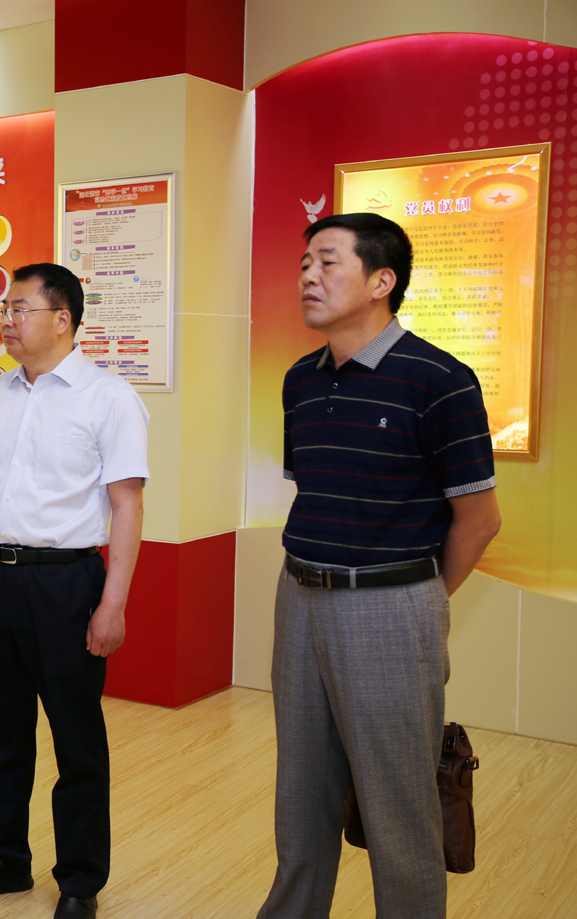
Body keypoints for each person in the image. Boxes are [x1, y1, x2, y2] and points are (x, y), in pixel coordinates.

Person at [257, 213, 501, 919]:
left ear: (381, 280)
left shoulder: (440, 380)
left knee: (399, 810)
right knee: (301, 795)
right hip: (299, 596)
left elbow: (480, 520)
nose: (308, 276)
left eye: (327, 262)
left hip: (391, 607)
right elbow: (319, 489)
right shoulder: (300, 380)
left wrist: (414, 595)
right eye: (304, 263)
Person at [0, 263, 148, 919]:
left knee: (76, 738)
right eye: (3, 309)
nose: (5, 320)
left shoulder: (108, 398)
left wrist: (113, 602)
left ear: (63, 319)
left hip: (66, 583)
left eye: (19, 308)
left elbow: (127, 505)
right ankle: (4, 859)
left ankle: (80, 880)